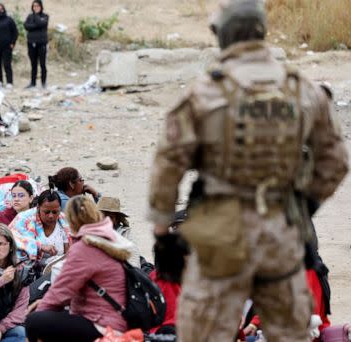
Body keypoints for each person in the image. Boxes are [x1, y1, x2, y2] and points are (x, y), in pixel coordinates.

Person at [148, 1, 348, 341]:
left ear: (225, 36)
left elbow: (168, 167)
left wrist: (163, 234)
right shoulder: (302, 89)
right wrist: (305, 206)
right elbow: (337, 161)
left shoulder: (204, 92)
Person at [26, 196, 130, 341]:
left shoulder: (84, 246)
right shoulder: (111, 240)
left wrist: (42, 308)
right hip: (116, 318)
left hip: (102, 323)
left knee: (34, 321)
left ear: (71, 221)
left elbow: (61, 291)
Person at [8, 187, 70, 264]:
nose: (51, 216)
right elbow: (9, 238)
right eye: (46, 212)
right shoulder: (24, 219)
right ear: (38, 208)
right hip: (29, 271)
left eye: (55, 212)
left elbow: (69, 251)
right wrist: (39, 246)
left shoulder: (64, 222)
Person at [24, 1, 49, 88]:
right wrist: (36, 25)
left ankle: (43, 82)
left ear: (41, 7)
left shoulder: (45, 16)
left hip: (41, 44)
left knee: (42, 64)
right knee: (33, 64)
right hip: (31, 43)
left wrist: (36, 16)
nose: (36, 7)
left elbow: (41, 23)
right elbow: (26, 26)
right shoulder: (29, 16)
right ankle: (33, 82)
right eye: (34, 6)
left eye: (37, 6)